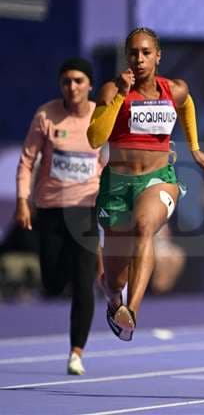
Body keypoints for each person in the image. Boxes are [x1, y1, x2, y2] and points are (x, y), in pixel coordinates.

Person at [87, 27, 204, 341]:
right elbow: (94, 138)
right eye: (133, 53)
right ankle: (115, 300)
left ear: (158, 56)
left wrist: (195, 148)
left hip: (159, 179)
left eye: (146, 53)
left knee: (145, 226)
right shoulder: (111, 90)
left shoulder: (174, 89)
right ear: (126, 57)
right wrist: (118, 96)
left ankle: (133, 308)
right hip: (117, 185)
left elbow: (187, 106)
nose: (139, 59)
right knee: (112, 278)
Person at [15, 57, 105, 375]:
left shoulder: (100, 117)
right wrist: (23, 201)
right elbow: (27, 162)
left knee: (84, 284)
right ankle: (65, 264)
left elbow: (110, 163)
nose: (72, 86)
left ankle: (76, 352)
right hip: (51, 208)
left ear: (90, 85)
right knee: (52, 283)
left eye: (79, 80)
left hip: (85, 207)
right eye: (66, 81)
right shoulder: (46, 115)